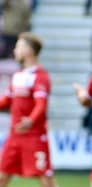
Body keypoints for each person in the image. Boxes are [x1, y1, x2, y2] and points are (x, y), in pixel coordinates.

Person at [0, 32, 57, 187]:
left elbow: (41, 105)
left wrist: (30, 120)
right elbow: (6, 100)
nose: (15, 50)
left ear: (29, 50)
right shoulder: (18, 75)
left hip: (34, 136)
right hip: (14, 136)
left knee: (46, 180)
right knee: (2, 177)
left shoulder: (40, 76)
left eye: (18, 46)